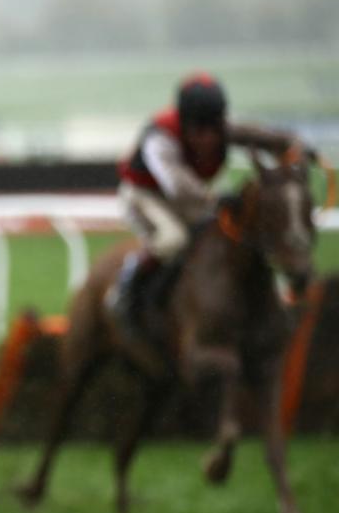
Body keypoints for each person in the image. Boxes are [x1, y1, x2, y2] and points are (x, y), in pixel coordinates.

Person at [111, 72, 307, 336]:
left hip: (187, 198)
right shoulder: (159, 137)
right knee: (173, 240)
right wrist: (214, 198)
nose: (208, 139)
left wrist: (294, 146)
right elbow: (176, 184)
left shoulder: (219, 129)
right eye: (199, 131)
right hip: (144, 195)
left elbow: (262, 137)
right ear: (184, 123)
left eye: (213, 129)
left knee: (223, 237)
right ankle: (127, 288)